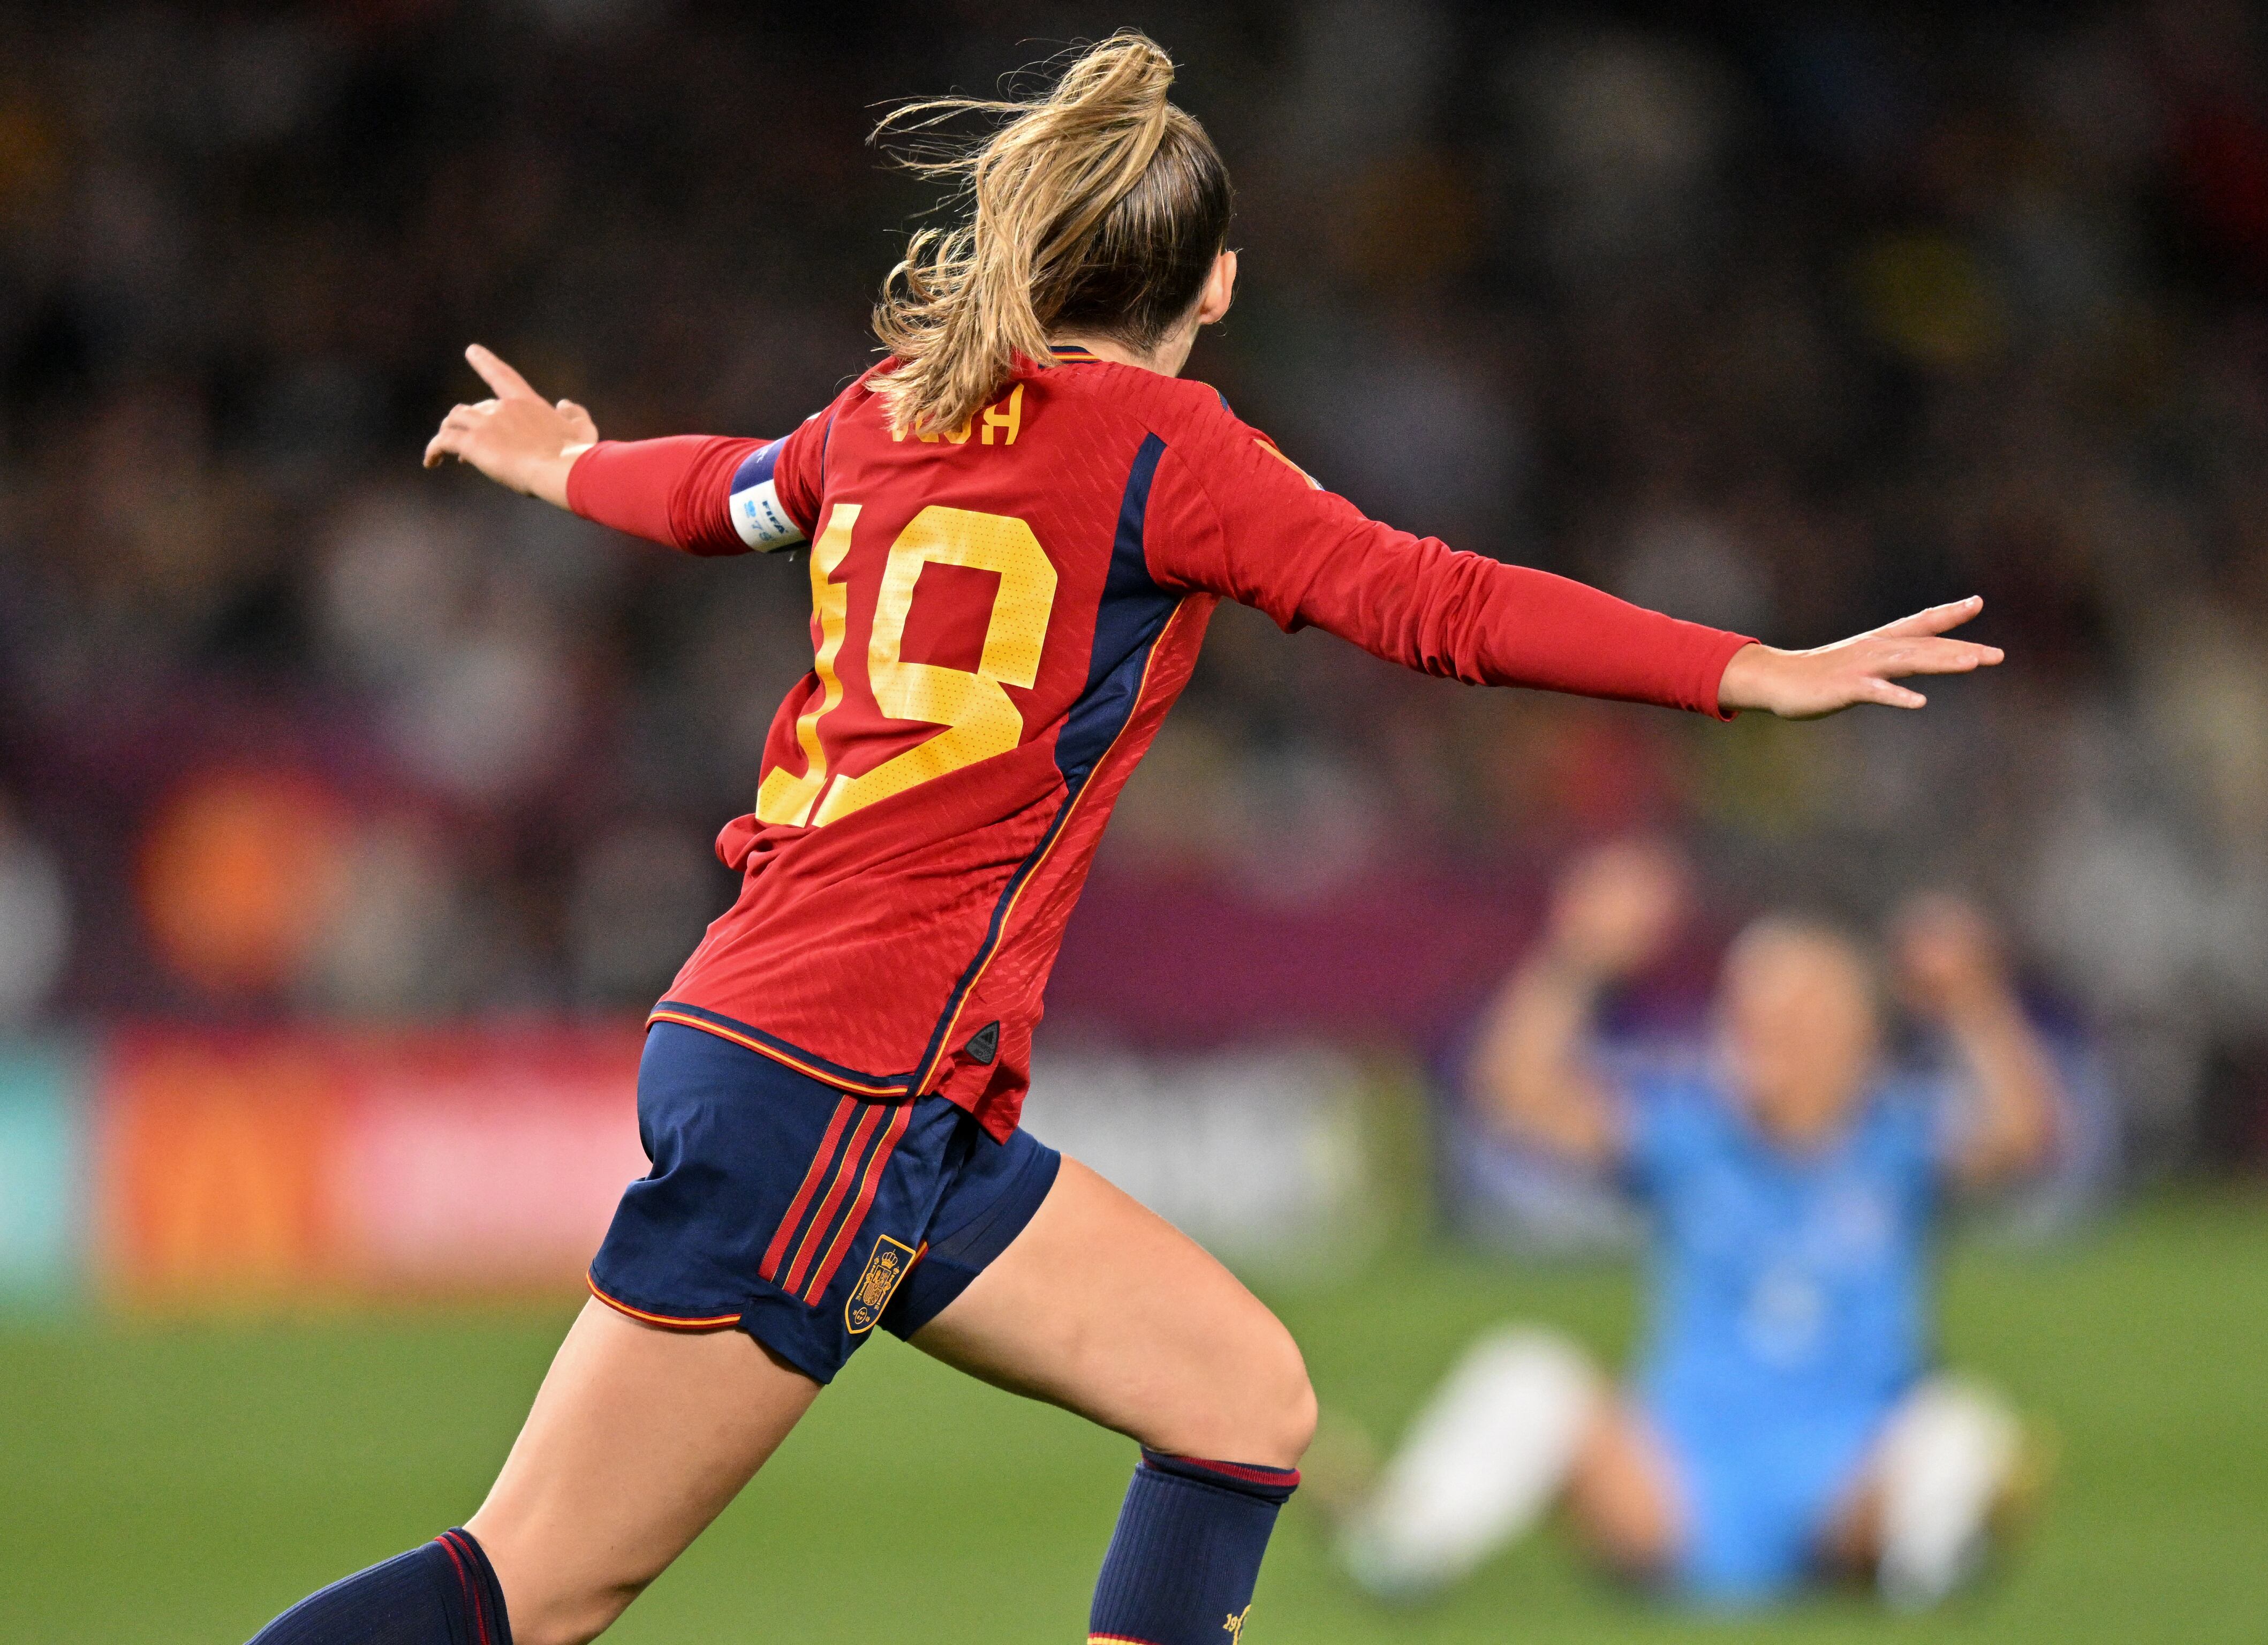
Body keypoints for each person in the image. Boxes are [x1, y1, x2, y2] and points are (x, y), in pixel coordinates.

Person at [249, 33, 2004, 1645]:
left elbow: (722, 495)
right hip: (844, 1078)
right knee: (537, 1589)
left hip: (820, 1061)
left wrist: (568, 465)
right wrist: (1737, 669)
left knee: (1239, 1402)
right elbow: (1421, 598)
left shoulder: (892, 411)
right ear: (1213, 285)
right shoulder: (1161, 444)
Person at [1339, 841, 2062, 1612]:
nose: (1756, 1034)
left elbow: (2027, 1138)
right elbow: (1513, 1095)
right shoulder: (1692, 1132)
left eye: (1789, 1015)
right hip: (1683, 1480)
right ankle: (1404, 1544)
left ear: (1852, 1031)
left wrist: (1974, 999)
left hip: (1847, 1476)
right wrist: (1577, 957)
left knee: (1959, 1423)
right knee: (1529, 1373)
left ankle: (1927, 1574)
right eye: (1748, 1012)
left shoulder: (1898, 1142)